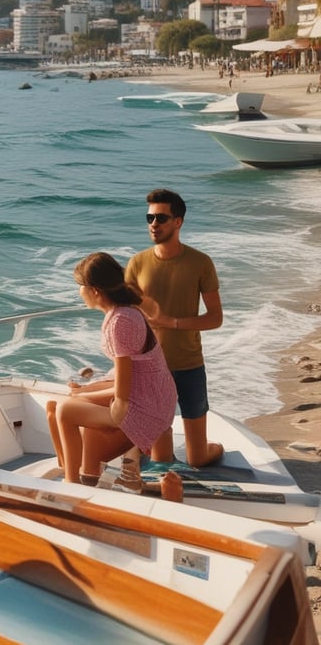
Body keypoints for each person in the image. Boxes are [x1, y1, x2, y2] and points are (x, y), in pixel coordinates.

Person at [49, 252, 177, 487]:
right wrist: (84, 392)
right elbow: (129, 375)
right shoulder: (124, 312)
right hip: (155, 398)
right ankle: (73, 469)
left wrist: (113, 417)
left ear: (95, 290)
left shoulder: (120, 322)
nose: (79, 292)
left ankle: (71, 483)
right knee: (60, 404)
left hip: (146, 408)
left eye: (80, 286)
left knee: (65, 410)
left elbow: (123, 392)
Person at [125, 189, 224, 468]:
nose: (153, 224)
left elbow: (215, 318)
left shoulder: (200, 262)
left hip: (189, 364)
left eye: (161, 218)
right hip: (150, 369)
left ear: (178, 222)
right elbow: (126, 315)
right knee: (162, 459)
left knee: (197, 459)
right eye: (150, 218)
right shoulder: (137, 263)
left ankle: (216, 447)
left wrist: (172, 323)